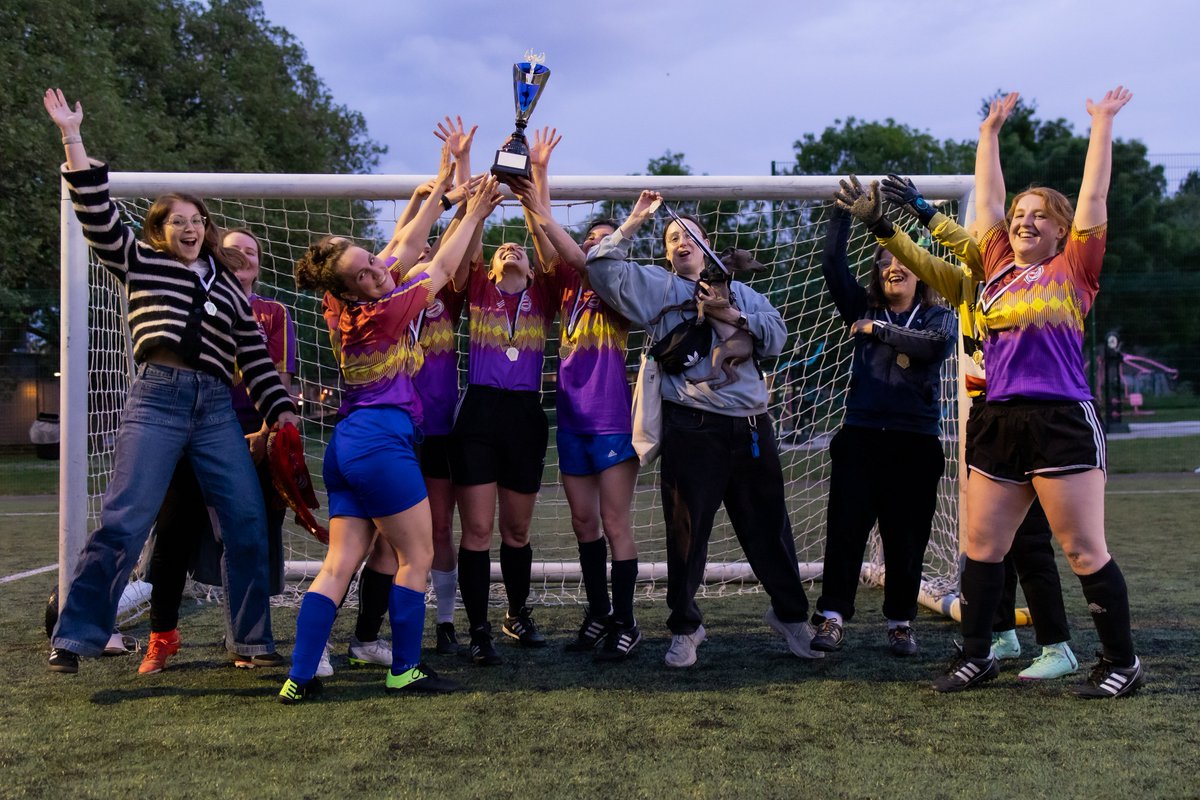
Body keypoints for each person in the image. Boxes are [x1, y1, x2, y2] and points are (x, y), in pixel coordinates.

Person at [43, 88, 298, 674]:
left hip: (213, 410)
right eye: (176, 220)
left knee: (247, 520)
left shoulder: (231, 289)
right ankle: (74, 635)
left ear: (206, 228)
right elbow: (98, 215)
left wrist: (279, 408)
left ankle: (252, 640)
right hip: (155, 399)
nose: (188, 226)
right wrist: (72, 137)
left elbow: (254, 355)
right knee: (125, 522)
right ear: (160, 230)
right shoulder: (142, 262)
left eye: (195, 219)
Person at [933, 88, 1143, 697]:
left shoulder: (1076, 267)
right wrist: (989, 132)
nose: (1023, 221)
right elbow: (989, 200)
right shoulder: (994, 263)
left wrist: (1101, 123)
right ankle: (977, 656)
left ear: (1061, 230)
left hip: (1059, 419)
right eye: (1020, 215)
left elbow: (1095, 194)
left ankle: (1121, 664)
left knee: (1081, 549)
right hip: (997, 419)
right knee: (982, 546)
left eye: (1039, 216)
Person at [277, 145, 501, 703]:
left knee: (338, 565)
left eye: (371, 261)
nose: (378, 269)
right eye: (366, 272)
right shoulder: (388, 308)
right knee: (416, 558)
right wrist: (475, 210)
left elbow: (402, 246)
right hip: (381, 442)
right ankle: (404, 668)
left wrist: (444, 183)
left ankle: (298, 677)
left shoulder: (342, 302)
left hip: (347, 443)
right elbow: (443, 264)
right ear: (349, 288)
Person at [586, 192, 823, 668]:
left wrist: (731, 315)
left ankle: (792, 617)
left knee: (769, 528)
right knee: (687, 533)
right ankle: (686, 627)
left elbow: (777, 338)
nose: (681, 243)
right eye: (673, 238)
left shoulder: (743, 292)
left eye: (690, 235)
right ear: (667, 252)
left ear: (708, 244)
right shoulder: (657, 286)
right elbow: (601, 266)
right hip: (691, 427)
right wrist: (635, 220)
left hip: (752, 426)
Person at [870, 171, 1079, 680]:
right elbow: (921, 259)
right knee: (987, 539)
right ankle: (1001, 634)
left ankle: (1057, 645)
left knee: (1029, 543)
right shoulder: (969, 284)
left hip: (1030, 414)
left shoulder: (1044, 280)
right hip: (986, 417)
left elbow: (958, 239)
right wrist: (882, 226)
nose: (1004, 237)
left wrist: (920, 210)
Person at [339, 117, 481, 671]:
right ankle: (379, 645)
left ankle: (398, 633)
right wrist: (447, 185)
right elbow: (411, 242)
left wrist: (455, 176)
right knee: (386, 545)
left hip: (427, 426)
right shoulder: (392, 299)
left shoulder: (431, 295)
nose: (414, 269)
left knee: (403, 540)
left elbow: (445, 249)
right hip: (387, 430)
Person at [139, 226, 299, 674]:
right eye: (233, 251)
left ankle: (248, 640)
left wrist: (267, 433)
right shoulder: (192, 300)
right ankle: (162, 635)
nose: (243, 257)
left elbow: (279, 379)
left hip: (252, 434)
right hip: (193, 427)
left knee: (251, 535)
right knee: (172, 528)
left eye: (252, 252)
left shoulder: (274, 312)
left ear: (260, 266)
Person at [509, 128, 641, 661]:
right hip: (571, 419)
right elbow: (544, 238)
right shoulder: (566, 283)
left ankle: (627, 623)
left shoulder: (622, 286)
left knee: (614, 524)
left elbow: (571, 245)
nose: (594, 244)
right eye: (590, 238)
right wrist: (537, 171)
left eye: (605, 239)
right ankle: (598, 614)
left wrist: (540, 193)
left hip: (612, 419)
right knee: (582, 522)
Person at [808, 185, 955, 658]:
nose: (894, 267)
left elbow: (929, 347)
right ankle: (831, 618)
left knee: (906, 537)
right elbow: (832, 264)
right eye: (886, 262)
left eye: (904, 262)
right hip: (861, 437)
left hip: (916, 442)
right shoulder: (861, 307)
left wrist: (881, 331)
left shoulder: (940, 315)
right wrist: (839, 214)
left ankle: (900, 623)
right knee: (846, 529)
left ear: (921, 272)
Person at [450, 159, 568, 666]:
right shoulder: (478, 289)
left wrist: (532, 192)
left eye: (516, 247)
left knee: (516, 532)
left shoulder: (544, 291)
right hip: (478, 413)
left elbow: (548, 249)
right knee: (476, 531)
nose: (510, 248)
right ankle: (478, 628)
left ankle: (517, 613)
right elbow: (470, 243)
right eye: (502, 252)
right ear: (492, 269)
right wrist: (472, 186)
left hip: (525, 416)